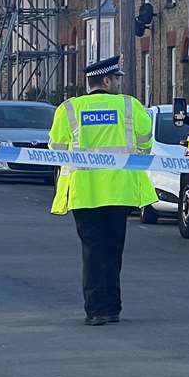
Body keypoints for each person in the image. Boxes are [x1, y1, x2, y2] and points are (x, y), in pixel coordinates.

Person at [48, 55, 155, 325]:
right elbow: (145, 143)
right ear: (106, 80)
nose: (119, 82)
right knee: (113, 250)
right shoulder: (130, 106)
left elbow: (56, 149)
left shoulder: (68, 109)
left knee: (92, 250)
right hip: (120, 191)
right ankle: (112, 308)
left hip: (84, 192)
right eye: (117, 78)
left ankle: (95, 310)